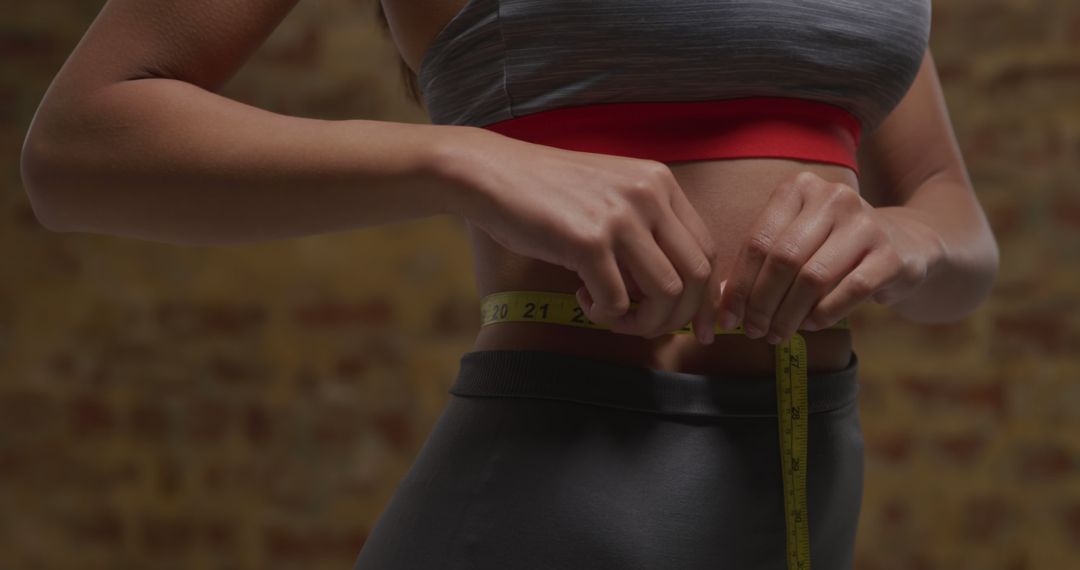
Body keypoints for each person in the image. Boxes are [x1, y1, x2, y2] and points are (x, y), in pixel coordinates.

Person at [20, 0, 1000, 568]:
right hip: (553, 489)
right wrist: (464, 162)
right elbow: (76, 148)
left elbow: (956, 220)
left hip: (803, 474)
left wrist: (902, 243)